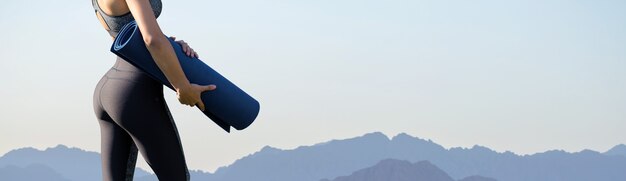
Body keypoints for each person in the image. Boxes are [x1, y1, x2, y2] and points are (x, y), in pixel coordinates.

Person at [91, 0, 215, 180]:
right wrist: (183, 86)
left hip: (110, 89)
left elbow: (126, 37)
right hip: (134, 90)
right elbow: (151, 39)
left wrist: (169, 46)